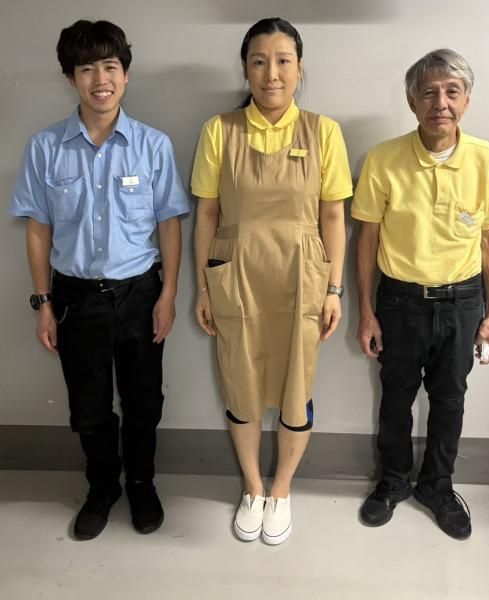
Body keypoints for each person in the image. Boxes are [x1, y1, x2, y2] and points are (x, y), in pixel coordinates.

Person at [9, 20, 191, 540]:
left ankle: (142, 484)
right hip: (75, 298)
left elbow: (169, 224)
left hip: (140, 294)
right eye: (86, 69)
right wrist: (44, 303)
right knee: (88, 408)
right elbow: (38, 230)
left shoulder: (152, 146)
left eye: (110, 67)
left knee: (143, 403)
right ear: (71, 78)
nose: (100, 80)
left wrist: (168, 295)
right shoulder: (45, 147)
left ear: (126, 74)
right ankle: (102, 488)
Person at [192, 17, 352, 545]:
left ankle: (282, 489)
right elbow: (207, 214)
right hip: (235, 273)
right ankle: (253, 486)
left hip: (302, 276)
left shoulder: (323, 132)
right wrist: (202, 287)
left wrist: (334, 289)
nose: (272, 74)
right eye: (259, 62)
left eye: (284, 61)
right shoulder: (220, 130)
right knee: (239, 382)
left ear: (300, 70)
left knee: (295, 386)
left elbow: (333, 216)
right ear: (245, 69)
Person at [352, 49, 489, 539]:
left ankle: (438, 485)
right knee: (396, 396)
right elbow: (367, 239)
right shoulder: (383, 159)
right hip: (399, 301)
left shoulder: (486, 159)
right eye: (428, 93)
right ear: (411, 101)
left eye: (451, 92)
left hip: (463, 302)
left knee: (450, 398)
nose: (440, 103)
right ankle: (393, 480)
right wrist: (366, 311)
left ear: (466, 100)